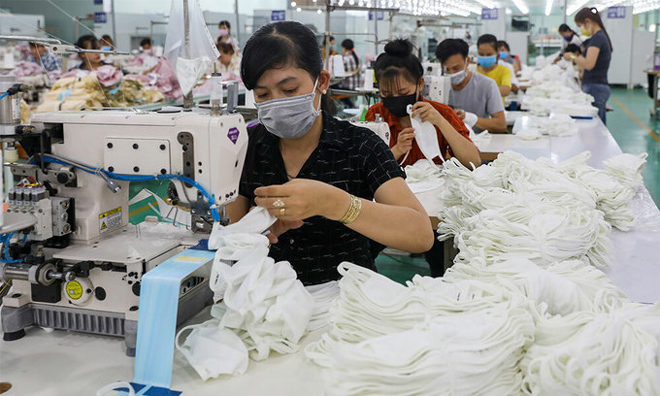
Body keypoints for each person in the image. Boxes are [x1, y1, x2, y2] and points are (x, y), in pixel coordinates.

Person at [229, 21, 434, 285]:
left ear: (321, 82)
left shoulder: (360, 145)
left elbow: (420, 234)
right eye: (263, 94)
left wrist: (336, 203)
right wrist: (258, 232)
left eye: (289, 90)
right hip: (266, 299)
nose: (277, 102)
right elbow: (230, 236)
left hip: (347, 302)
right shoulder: (246, 147)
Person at [365, 39, 480, 169]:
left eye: (403, 92)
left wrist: (441, 123)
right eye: (386, 93)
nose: (395, 98)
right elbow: (367, 168)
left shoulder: (441, 112)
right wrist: (396, 151)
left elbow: (474, 162)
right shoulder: (376, 114)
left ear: (420, 84)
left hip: (434, 186)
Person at [436, 38, 507, 134]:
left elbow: (501, 125)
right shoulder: (436, 85)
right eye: (446, 69)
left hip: (478, 142)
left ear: (467, 61)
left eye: (456, 68)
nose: (451, 73)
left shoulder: (487, 85)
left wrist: (469, 118)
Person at [565, 7, 612, 124]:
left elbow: (589, 64)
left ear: (588, 21)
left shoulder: (597, 39)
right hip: (596, 86)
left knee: (595, 127)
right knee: (596, 127)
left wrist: (572, 56)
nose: (581, 29)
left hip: (595, 88)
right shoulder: (598, 37)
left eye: (581, 26)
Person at [476, 34, 511, 100]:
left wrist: (480, 92)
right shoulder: (472, 71)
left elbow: (506, 90)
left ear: (497, 53)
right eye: (481, 54)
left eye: (489, 54)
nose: (485, 57)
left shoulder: (504, 70)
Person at [334, 39, 360, 107]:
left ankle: (351, 106)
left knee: (330, 88)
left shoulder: (344, 58)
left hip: (348, 87)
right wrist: (354, 72)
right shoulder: (357, 57)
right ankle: (351, 106)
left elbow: (340, 73)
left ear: (343, 48)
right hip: (357, 86)